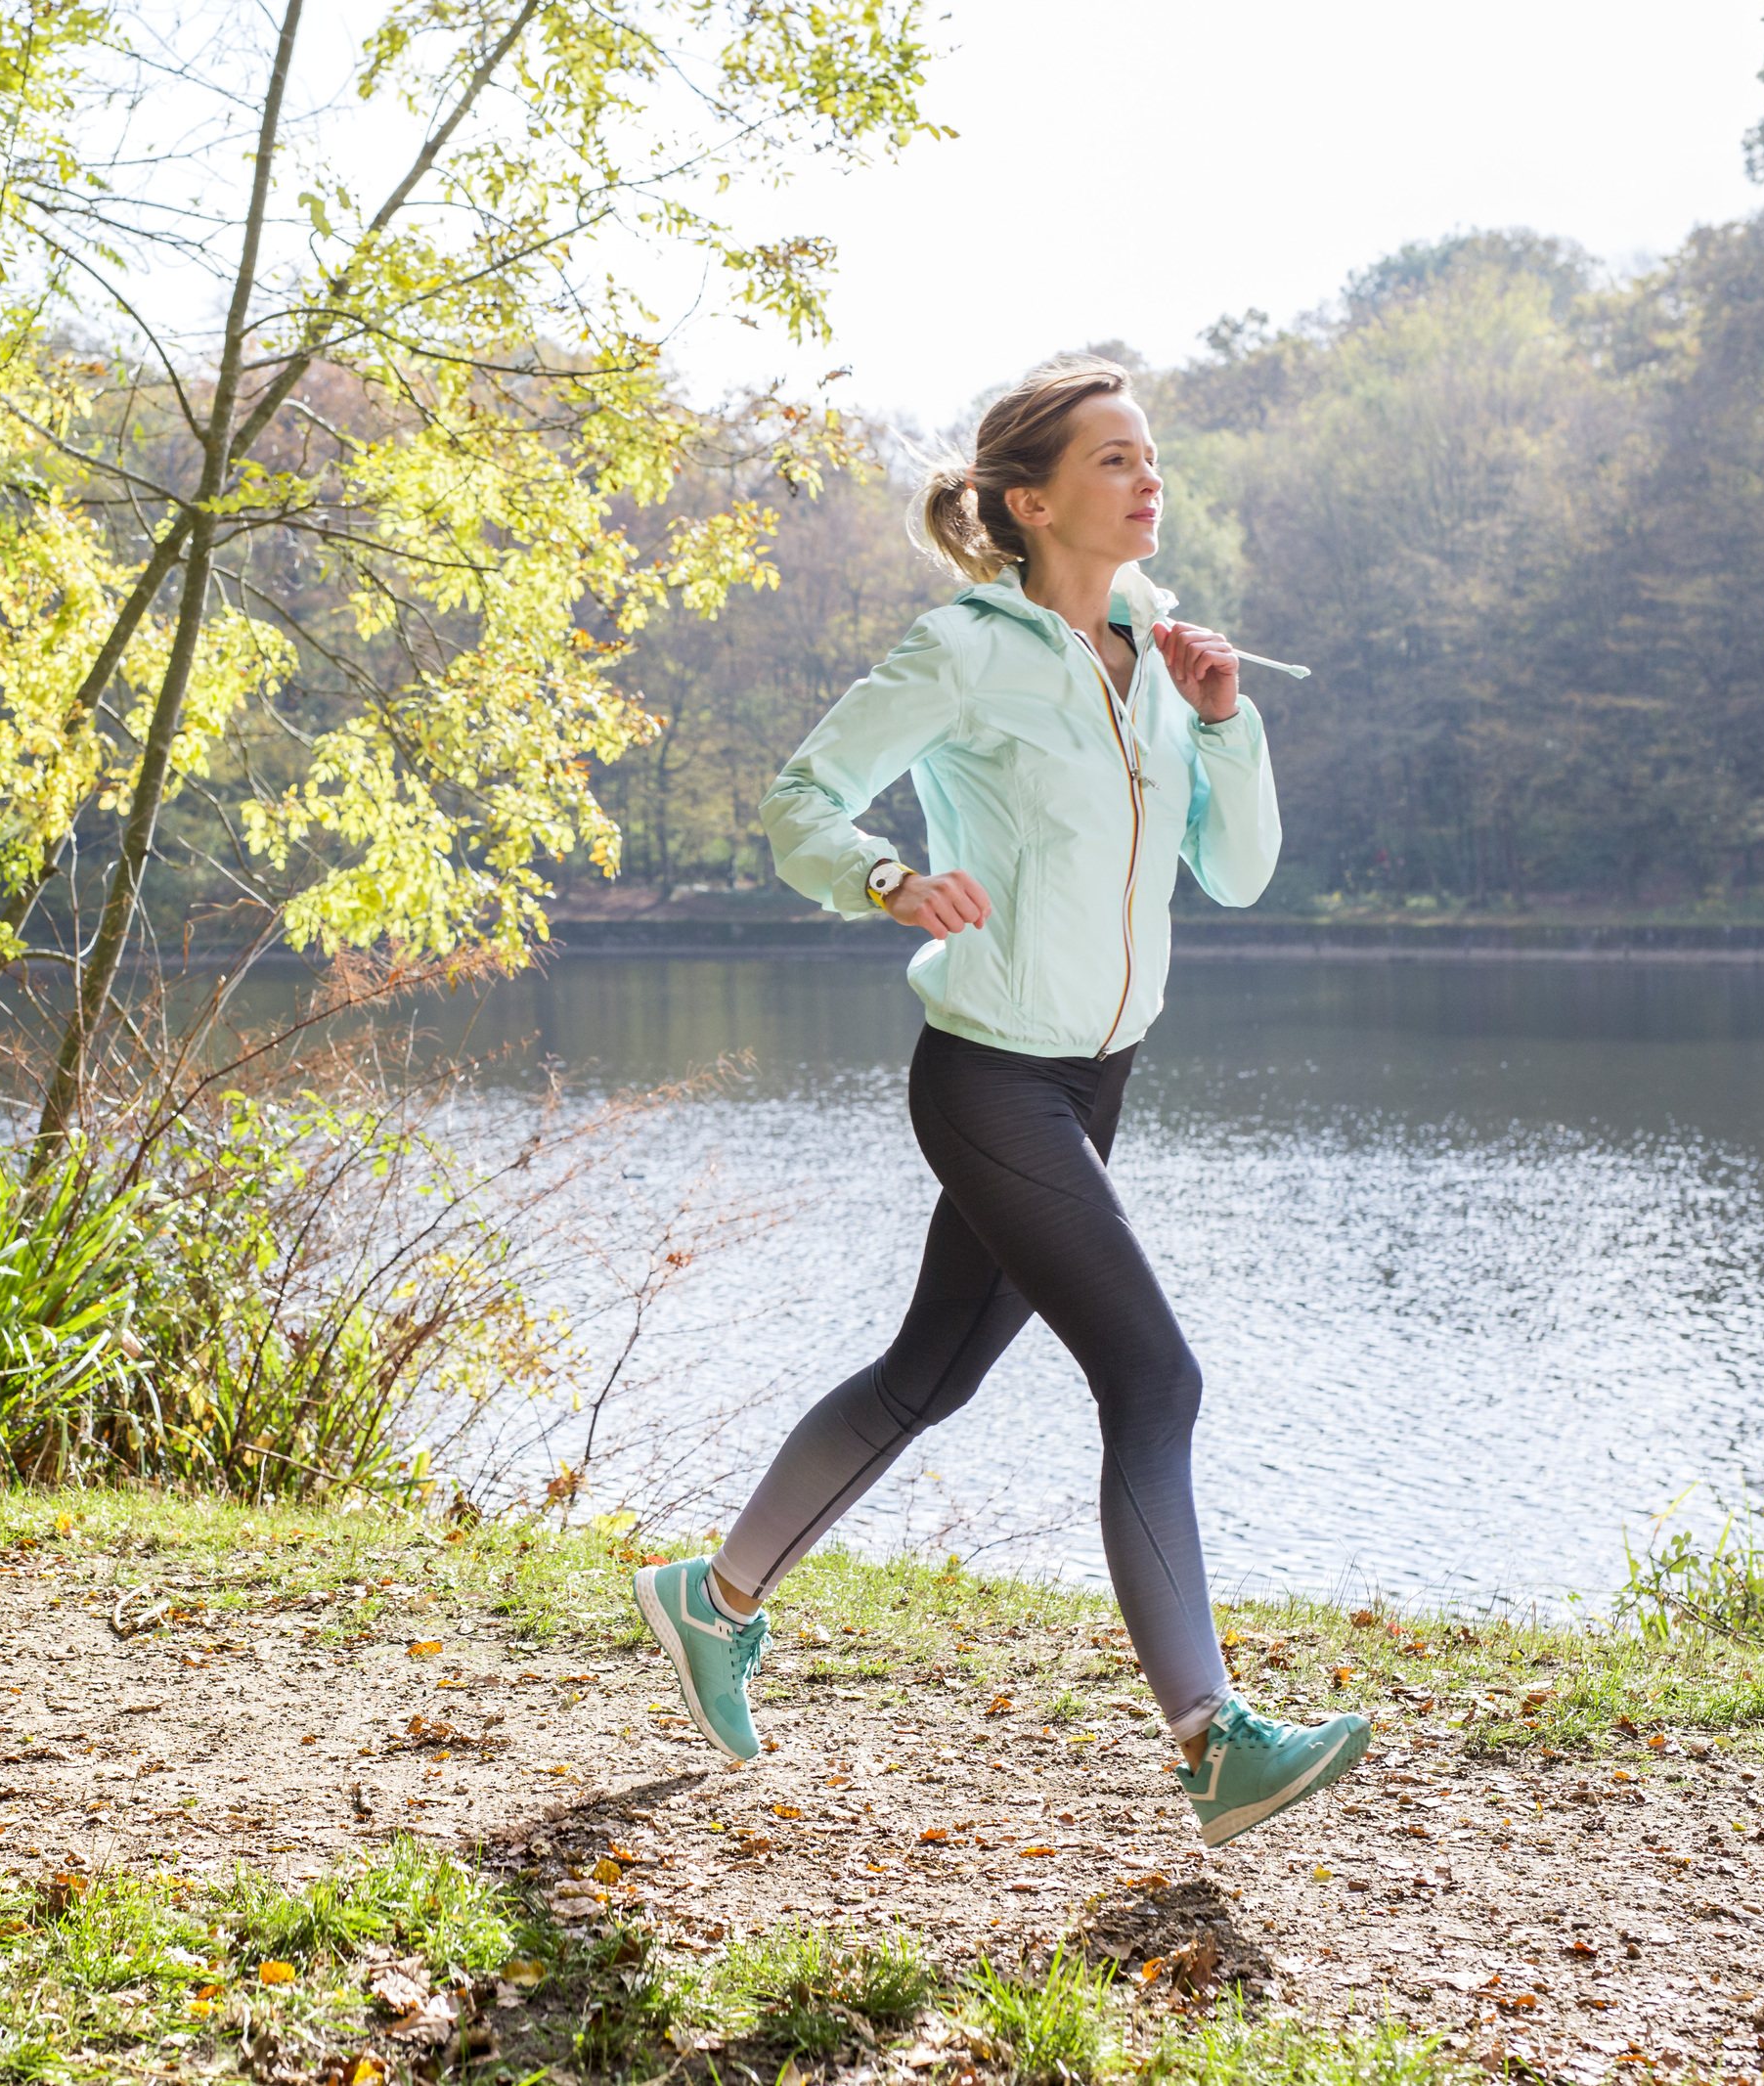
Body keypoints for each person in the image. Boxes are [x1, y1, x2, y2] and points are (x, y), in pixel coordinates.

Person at [629, 355, 1368, 1848]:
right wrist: (887, 878)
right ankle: (1212, 1739)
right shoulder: (966, 649)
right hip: (986, 1075)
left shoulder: (1161, 651)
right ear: (1029, 502)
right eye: (1114, 459)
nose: (1149, 480)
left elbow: (1237, 873)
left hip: (1096, 1076)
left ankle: (712, 1597)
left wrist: (1225, 721)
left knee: (929, 1373)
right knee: (1153, 1378)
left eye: (1150, 455)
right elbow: (799, 801)